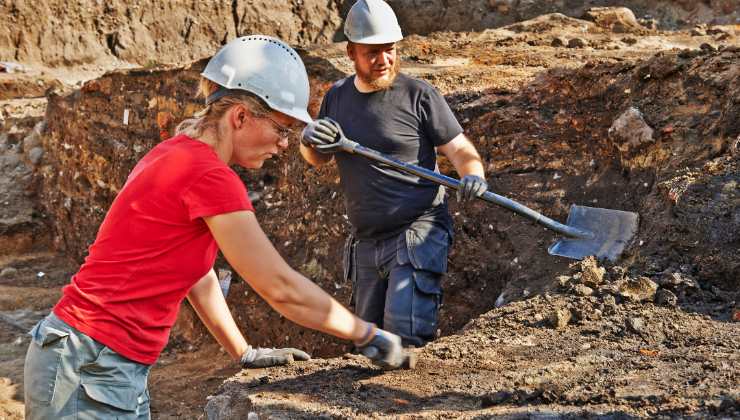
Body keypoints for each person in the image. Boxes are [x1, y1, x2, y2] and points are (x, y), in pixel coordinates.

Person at [23, 35, 406, 420]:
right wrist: (367, 334)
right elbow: (281, 288)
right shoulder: (207, 176)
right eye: (282, 128)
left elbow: (194, 271)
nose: (285, 143)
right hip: (87, 366)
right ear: (239, 117)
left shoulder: (176, 153)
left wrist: (243, 351)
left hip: (100, 363)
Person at [300, 0, 488, 348]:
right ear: (351, 52)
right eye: (372, 52)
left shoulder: (419, 95)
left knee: (404, 335)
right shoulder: (337, 98)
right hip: (367, 242)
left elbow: (460, 149)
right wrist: (309, 141)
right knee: (369, 344)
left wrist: (473, 173)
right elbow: (317, 158)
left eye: (389, 50)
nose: (383, 60)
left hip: (417, 231)